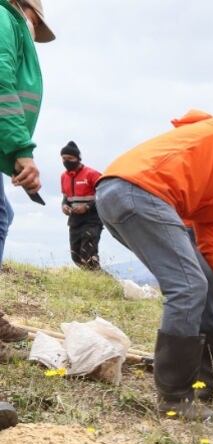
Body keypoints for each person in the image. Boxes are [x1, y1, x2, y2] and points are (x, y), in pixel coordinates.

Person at [96, 98, 213, 419]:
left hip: (123, 197)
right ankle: (174, 398)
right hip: (137, 190)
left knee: (205, 279)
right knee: (188, 287)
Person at [0, 0, 53, 346]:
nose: (34, 34)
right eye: (36, 23)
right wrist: (21, 149)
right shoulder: (4, 17)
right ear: (26, 10)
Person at [59, 141, 103, 270]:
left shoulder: (92, 174)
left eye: (70, 159)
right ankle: (98, 281)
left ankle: (103, 284)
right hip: (74, 220)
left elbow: (103, 194)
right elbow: (66, 197)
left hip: (92, 220)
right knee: (76, 257)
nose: (67, 161)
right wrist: (64, 206)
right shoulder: (63, 176)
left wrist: (87, 207)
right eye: (64, 159)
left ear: (78, 158)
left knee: (88, 256)